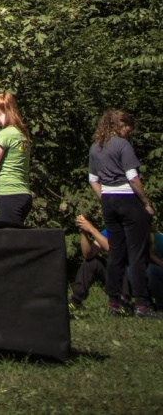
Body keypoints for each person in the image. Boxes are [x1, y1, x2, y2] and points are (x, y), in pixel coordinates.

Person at [87, 108, 157, 318]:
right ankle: (142, 304)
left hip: (108, 200)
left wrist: (106, 197)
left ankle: (114, 302)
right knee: (137, 254)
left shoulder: (95, 147)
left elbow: (92, 179)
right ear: (119, 126)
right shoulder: (123, 145)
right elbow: (133, 178)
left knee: (116, 253)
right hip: (128, 199)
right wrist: (145, 203)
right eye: (127, 126)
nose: (129, 131)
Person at [0, 90, 32, 227]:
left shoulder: (5, 134)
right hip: (23, 192)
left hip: (9, 193)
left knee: (11, 240)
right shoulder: (21, 133)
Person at [71, 212, 131, 308]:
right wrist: (84, 231)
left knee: (118, 261)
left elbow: (115, 250)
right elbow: (88, 254)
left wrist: (91, 229)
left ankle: (123, 301)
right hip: (115, 276)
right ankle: (75, 300)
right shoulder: (109, 232)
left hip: (133, 276)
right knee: (92, 262)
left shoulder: (132, 229)